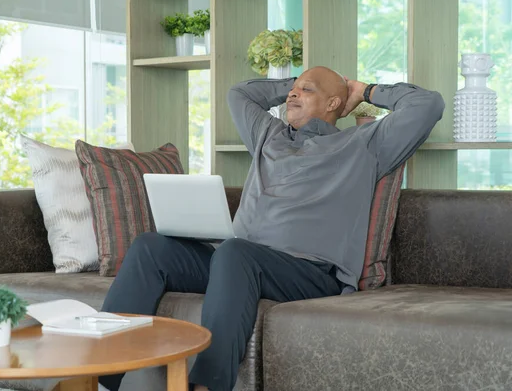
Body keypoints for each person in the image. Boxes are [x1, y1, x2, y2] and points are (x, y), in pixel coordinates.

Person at [98, 66, 445, 391]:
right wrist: (293, 86)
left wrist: (364, 90)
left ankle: (206, 385)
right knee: (150, 247)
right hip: (236, 264)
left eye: (305, 91)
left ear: (334, 103)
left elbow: (428, 105)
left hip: (310, 272)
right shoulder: (269, 135)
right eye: (291, 92)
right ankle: (97, 378)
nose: (292, 96)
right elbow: (238, 94)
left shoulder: (364, 143)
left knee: (235, 253)